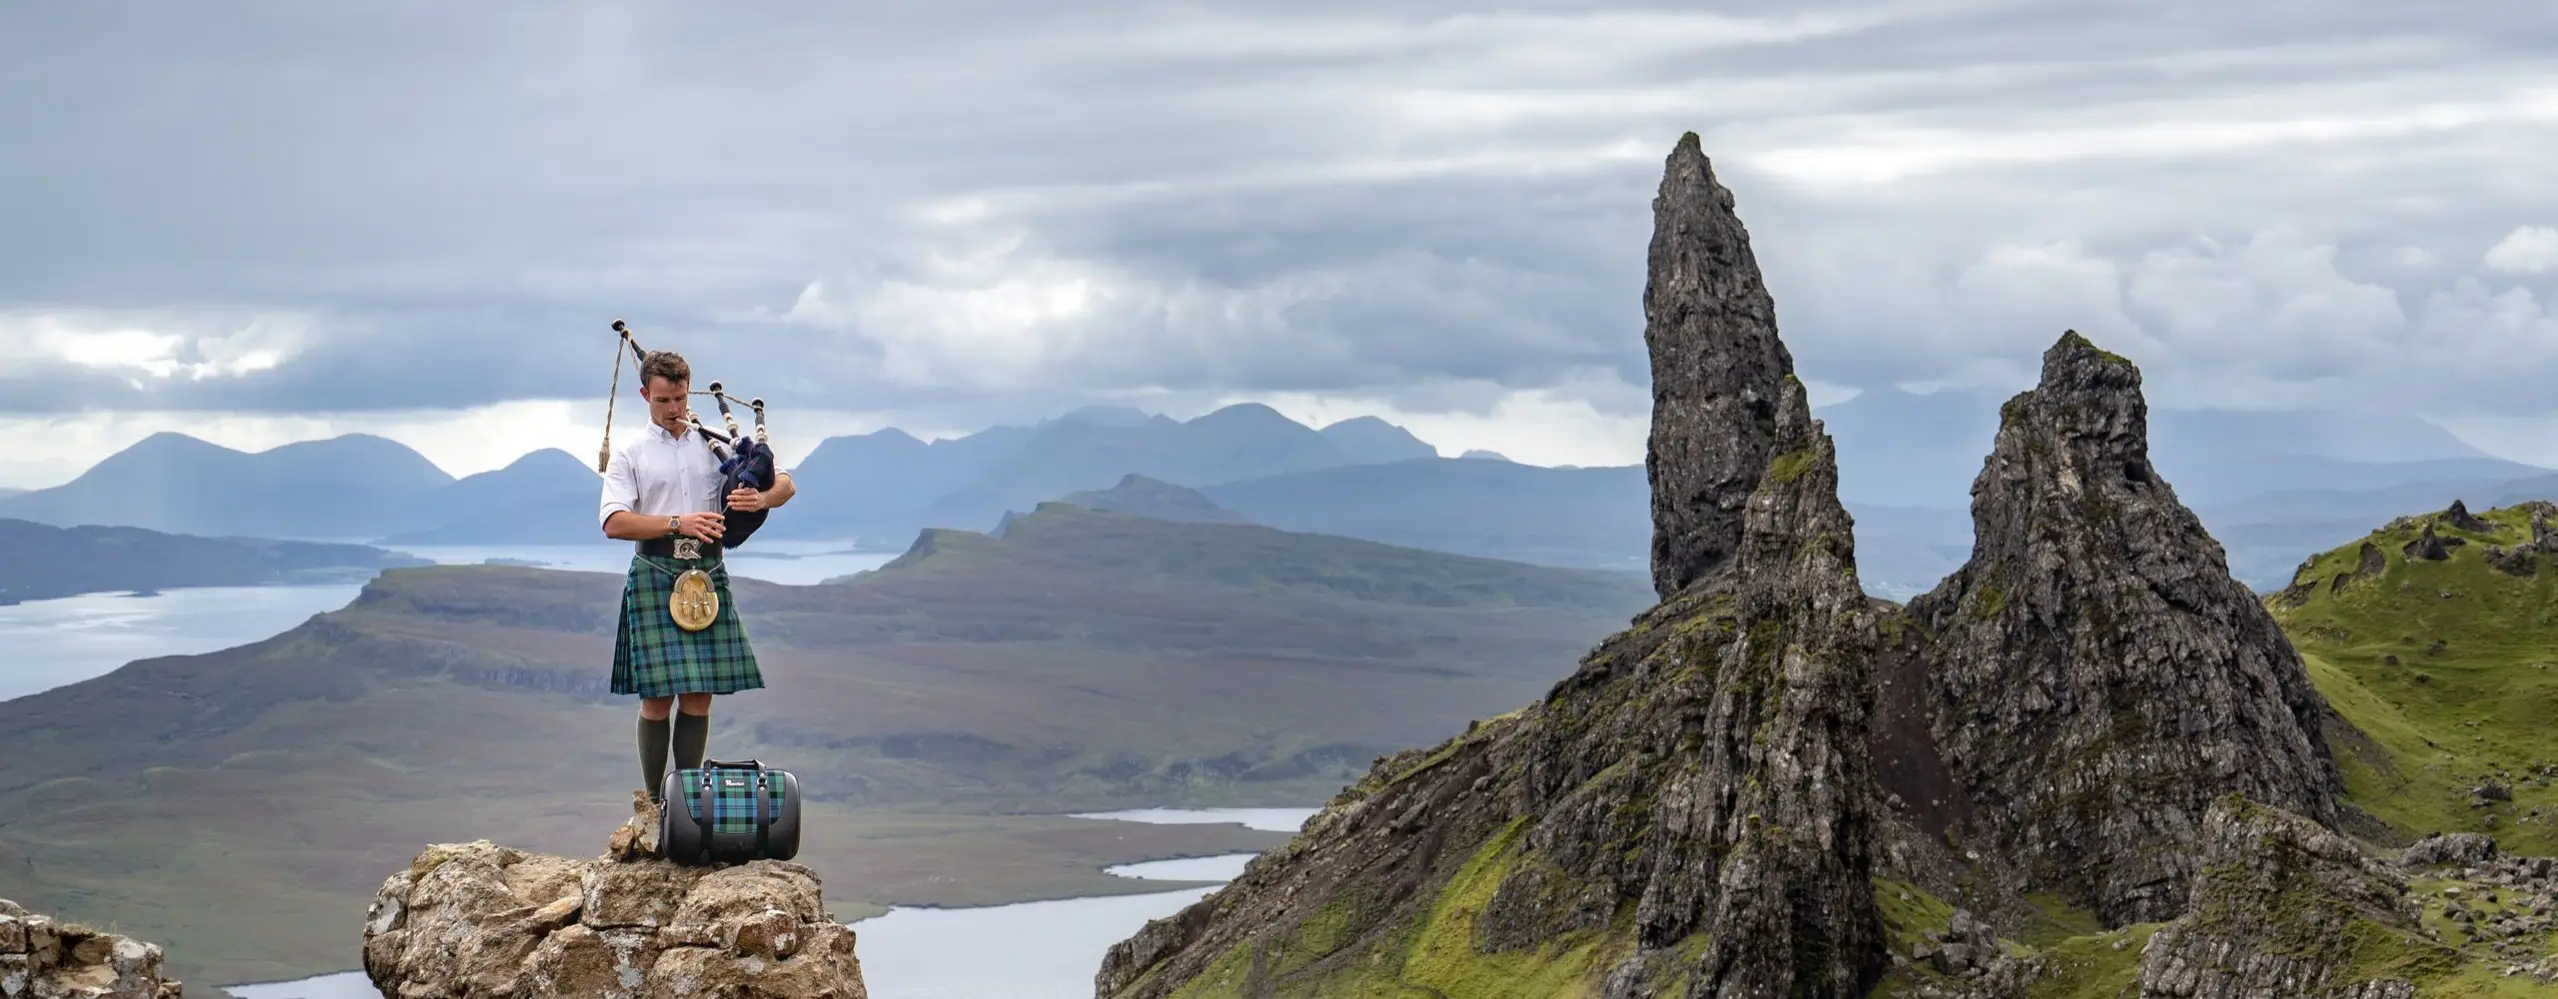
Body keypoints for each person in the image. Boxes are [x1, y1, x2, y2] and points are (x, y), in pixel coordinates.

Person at [597, 348, 795, 803]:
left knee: (699, 694)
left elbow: (784, 482)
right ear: (645, 394)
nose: (674, 410)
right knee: (656, 697)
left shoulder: (718, 442)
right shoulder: (631, 453)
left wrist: (761, 501)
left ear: (690, 391)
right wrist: (676, 522)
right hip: (654, 570)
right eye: (664, 400)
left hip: (706, 572)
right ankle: (652, 802)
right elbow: (613, 522)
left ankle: (686, 800)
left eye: (681, 398)